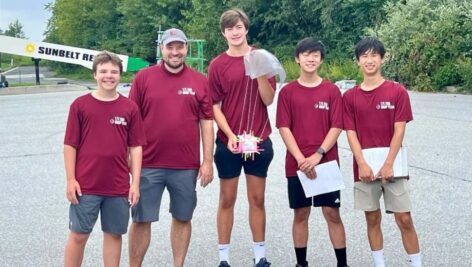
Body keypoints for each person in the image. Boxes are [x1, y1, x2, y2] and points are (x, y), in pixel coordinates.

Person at [128, 28, 214, 267]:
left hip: (185, 165)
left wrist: (207, 161)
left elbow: (206, 122)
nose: (175, 52)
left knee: (182, 217)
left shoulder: (199, 81)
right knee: (141, 220)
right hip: (148, 164)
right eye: (170, 47)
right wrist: (129, 157)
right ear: (162, 49)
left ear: (186, 48)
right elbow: (131, 120)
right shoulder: (143, 78)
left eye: (179, 47)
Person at [343, 37, 422, 267]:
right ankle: (379, 263)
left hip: (394, 166)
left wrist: (389, 164)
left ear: (382, 58)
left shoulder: (397, 91)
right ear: (358, 61)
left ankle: (416, 263)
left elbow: (399, 131)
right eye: (364, 56)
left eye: (374, 55)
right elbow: (350, 133)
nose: (369, 60)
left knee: (404, 218)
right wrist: (362, 163)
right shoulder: (350, 97)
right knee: (372, 217)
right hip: (365, 167)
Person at [63, 51, 145, 267]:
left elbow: (135, 148)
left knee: (113, 235)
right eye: (103, 71)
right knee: (79, 235)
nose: (109, 76)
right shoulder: (80, 106)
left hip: (117, 186)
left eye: (114, 72)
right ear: (94, 75)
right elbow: (70, 145)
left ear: (120, 75)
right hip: (86, 185)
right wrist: (71, 179)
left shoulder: (130, 108)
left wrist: (134, 183)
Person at [208, 8, 276, 267]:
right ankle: (224, 257)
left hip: (259, 140)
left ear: (246, 29)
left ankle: (260, 255)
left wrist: (259, 73)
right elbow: (214, 105)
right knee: (227, 199)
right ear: (223, 33)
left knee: (257, 199)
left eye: (238, 27)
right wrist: (230, 134)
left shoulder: (262, 58)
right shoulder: (218, 65)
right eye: (229, 28)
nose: (235, 32)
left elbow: (268, 99)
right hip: (229, 142)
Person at [276, 38, 349, 267]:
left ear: (321, 59)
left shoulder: (331, 90)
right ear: (297, 58)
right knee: (300, 214)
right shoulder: (288, 92)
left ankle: (342, 263)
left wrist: (318, 154)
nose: (310, 59)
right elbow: (283, 127)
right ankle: (301, 263)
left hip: (326, 162)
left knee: (332, 213)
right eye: (306, 54)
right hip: (297, 165)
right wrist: (300, 159)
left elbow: (337, 125)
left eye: (315, 55)